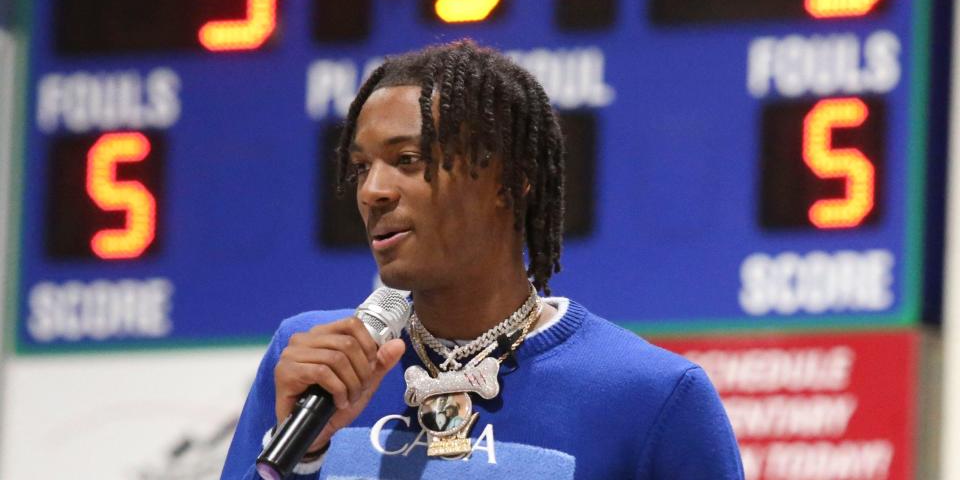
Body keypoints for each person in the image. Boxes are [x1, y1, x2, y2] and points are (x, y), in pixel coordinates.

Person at [221, 40, 744, 479]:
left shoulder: (649, 396)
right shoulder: (315, 367)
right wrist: (304, 457)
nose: (373, 190)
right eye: (361, 167)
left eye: (408, 160)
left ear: (509, 180)